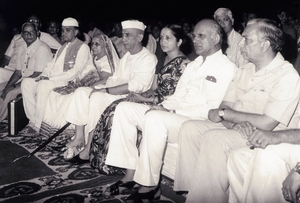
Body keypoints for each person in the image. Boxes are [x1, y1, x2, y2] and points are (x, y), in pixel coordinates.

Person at [104, 19, 237, 202]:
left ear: (215, 38)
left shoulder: (227, 68)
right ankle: (130, 173)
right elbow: (177, 95)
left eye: (201, 36)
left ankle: (149, 185)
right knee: (125, 108)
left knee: (155, 119)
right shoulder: (194, 65)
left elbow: (211, 108)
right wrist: (163, 106)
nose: (195, 39)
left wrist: (170, 113)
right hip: (175, 116)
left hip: (194, 121)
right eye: (194, 35)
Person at [174, 18, 300, 203]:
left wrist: (228, 116)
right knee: (190, 128)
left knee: (214, 138)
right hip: (240, 128)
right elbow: (222, 109)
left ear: (265, 45)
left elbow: (267, 122)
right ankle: (193, 190)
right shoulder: (245, 70)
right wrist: (232, 122)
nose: (241, 43)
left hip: (268, 134)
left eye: (247, 40)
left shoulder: (286, 75)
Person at [89, 24, 191, 175]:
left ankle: (111, 162)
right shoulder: (163, 59)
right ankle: (105, 158)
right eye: (161, 37)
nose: (162, 41)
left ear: (179, 41)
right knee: (116, 105)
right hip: (153, 99)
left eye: (168, 38)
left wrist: (145, 99)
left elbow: (171, 97)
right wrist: (141, 95)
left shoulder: (184, 64)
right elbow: (153, 88)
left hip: (166, 106)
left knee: (117, 108)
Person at [62, 19, 157, 163]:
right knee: (82, 92)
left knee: (97, 98)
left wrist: (105, 91)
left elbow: (136, 85)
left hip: (131, 97)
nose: (123, 39)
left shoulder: (148, 58)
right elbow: (115, 78)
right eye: (123, 35)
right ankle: (79, 137)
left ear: (140, 37)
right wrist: (96, 88)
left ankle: (89, 147)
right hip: (115, 91)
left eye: (128, 35)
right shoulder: (127, 57)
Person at [20, 17, 91, 136]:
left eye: (68, 30)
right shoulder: (62, 47)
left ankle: (36, 126)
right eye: (63, 30)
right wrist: (42, 76)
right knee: (26, 83)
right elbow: (49, 65)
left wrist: (50, 79)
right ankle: (33, 120)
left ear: (76, 32)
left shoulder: (83, 47)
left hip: (66, 81)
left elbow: (76, 71)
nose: (64, 33)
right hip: (51, 79)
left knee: (43, 85)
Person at [43, 33, 119, 130]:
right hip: (83, 85)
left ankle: (65, 129)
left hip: (96, 89)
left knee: (68, 98)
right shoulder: (94, 58)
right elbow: (81, 72)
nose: (94, 47)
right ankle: (48, 126)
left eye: (97, 44)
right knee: (54, 93)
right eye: (92, 44)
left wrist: (86, 87)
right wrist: (75, 82)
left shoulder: (107, 61)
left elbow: (104, 80)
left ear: (105, 46)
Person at [0, 22, 52, 122]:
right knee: (2, 88)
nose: (29, 35)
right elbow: (18, 72)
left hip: (35, 82)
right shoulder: (22, 48)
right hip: (23, 80)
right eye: (26, 32)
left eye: (32, 32)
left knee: (10, 93)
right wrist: (7, 86)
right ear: (22, 34)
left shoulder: (42, 48)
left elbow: (37, 74)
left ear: (37, 33)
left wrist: (12, 87)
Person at [0, 15, 62, 83]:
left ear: (40, 25)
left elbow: (61, 50)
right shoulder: (16, 37)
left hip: (27, 72)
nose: (33, 22)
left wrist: (48, 49)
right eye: (31, 21)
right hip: (12, 70)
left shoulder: (45, 37)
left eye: (36, 21)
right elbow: (7, 57)